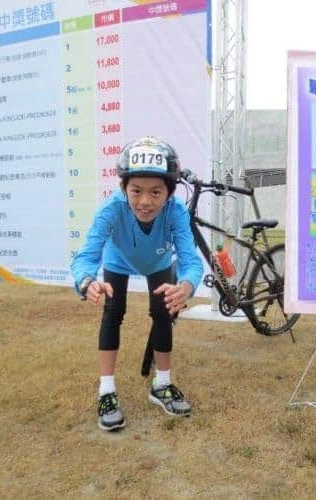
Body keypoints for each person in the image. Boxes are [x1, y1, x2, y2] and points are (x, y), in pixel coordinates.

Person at [71, 136, 203, 431]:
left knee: (163, 313)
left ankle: (162, 385)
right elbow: (86, 257)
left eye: (156, 192)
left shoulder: (177, 212)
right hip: (117, 260)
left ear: (169, 193)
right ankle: (106, 392)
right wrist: (87, 281)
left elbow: (191, 261)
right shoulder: (110, 209)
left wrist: (186, 286)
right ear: (123, 188)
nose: (145, 201)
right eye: (136, 191)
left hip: (157, 262)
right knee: (113, 313)